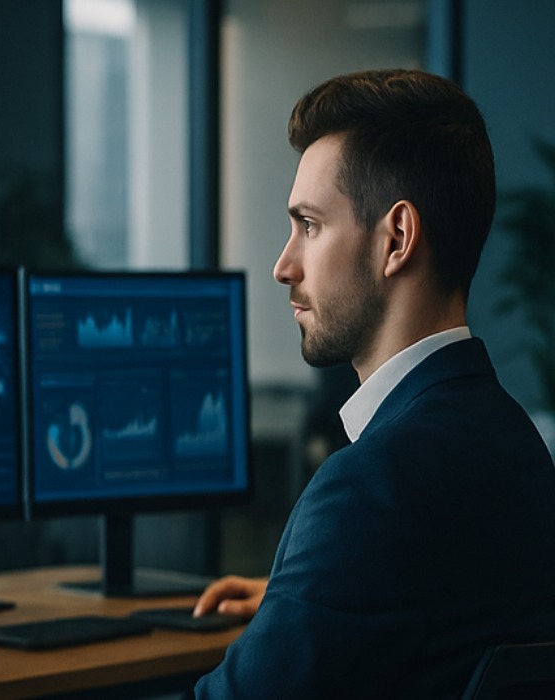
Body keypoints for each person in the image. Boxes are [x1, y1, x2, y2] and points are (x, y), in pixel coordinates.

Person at [191, 69, 555, 698]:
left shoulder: (370, 488)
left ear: (397, 239)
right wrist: (305, 595)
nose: (284, 266)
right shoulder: (514, 443)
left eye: (309, 225)